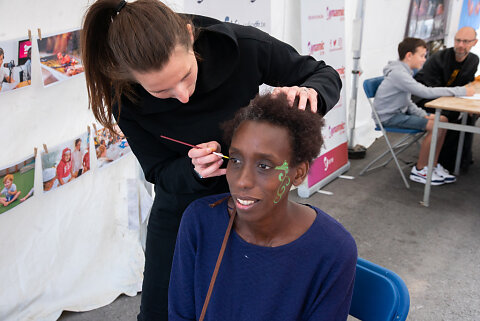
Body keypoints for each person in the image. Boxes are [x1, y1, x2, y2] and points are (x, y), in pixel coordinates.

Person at [81, 1, 341, 319]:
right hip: (181, 203)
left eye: (187, 76)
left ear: (190, 36)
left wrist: (311, 93)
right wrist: (192, 171)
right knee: (159, 311)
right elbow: (159, 170)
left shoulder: (246, 47)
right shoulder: (124, 97)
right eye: (162, 91)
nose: (183, 95)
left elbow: (322, 74)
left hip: (255, 196)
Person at [169, 93, 357, 321]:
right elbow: (181, 315)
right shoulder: (200, 221)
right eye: (236, 160)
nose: (242, 181)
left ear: (298, 173)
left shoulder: (333, 250)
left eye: (264, 165)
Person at [373, 37, 475, 185]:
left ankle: (431, 166)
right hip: (389, 118)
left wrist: (424, 115)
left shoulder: (404, 72)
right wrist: (461, 91)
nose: (424, 60)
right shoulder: (399, 74)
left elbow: (407, 101)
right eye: (421, 55)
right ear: (409, 55)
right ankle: (420, 170)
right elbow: (425, 92)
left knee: (443, 121)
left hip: (399, 113)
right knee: (436, 126)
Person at [413, 27, 479, 172]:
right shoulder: (438, 58)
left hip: (447, 98)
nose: (461, 45)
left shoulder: (473, 60)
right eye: (458, 40)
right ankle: (444, 162)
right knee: (453, 116)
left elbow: (466, 84)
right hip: (423, 101)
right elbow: (428, 91)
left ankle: (459, 159)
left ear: (475, 43)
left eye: (466, 41)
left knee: (469, 115)